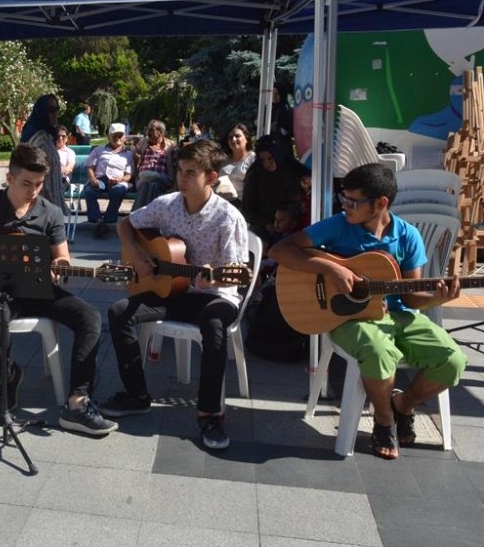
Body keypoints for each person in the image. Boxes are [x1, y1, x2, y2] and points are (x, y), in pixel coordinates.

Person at [269, 163, 466, 460]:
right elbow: (279, 251)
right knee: (377, 350)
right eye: (343, 198)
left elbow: (411, 298)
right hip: (351, 318)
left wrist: (437, 298)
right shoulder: (338, 225)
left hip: (399, 315)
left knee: (453, 361)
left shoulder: (407, 236)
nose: (345, 206)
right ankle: (384, 421)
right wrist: (331, 267)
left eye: (353, 201)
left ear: (381, 203)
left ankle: (404, 405)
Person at [0, 144, 117, 436]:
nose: (33, 191)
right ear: (10, 178)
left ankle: (77, 402)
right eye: (26, 183)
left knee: (90, 317)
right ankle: (10, 373)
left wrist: (60, 267)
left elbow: (62, 255)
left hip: (39, 290)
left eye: (39, 184)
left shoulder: (50, 212)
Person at [100, 139, 249, 450]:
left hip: (215, 296)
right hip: (172, 292)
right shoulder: (166, 204)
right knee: (119, 312)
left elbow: (233, 272)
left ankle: (209, 413)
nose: (181, 178)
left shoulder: (227, 217)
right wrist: (140, 256)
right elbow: (126, 226)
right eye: (180, 170)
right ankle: (137, 395)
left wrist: (213, 278)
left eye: (191, 172)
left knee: (214, 326)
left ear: (211, 177)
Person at [240, 135, 307, 238]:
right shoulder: (255, 175)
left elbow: (309, 184)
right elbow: (246, 210)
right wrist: (266, 223)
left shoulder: (292, 167)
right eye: (262, 160)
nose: (267, 163)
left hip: (295, 225)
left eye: (270, 158)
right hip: (265, 228)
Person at [83, 123, 134, 237]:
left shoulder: (129, 154)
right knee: (89, 191)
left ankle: (107, 220)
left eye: (120, 135)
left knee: (119, 190)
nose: (117, 138)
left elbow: (128, 175)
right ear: (109, 136)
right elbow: (89, 166)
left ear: (124, 137)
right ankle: (98, 221)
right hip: (100, 179)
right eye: (114, 135)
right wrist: (92, 179)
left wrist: (120, 179)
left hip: (118, 181)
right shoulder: (99, 150)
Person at [20, 94, 66, 213]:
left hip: (51, 207)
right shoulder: (39, 140)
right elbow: (34, 177)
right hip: (42, 209)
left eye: (57, 109)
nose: (55, 113)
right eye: (51, 110)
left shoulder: (47, 137)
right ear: (41, 111)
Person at [133, 119, 175, 209]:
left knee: (151, 184)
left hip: (162, 179)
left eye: (151, 130)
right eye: (148, 129)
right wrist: (136, 156)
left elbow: (176, 166)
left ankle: (135, 216)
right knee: (149, 185)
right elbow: (134, 153)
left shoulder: (171, 146)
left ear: (161, 132)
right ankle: (145, 218)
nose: (148, 132)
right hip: (142, 180)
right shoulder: (143, 143)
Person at [217, 123, 255, 203]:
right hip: (223, 203)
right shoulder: (223, 160)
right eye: (230, 138)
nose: (233, 139)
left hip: (244, 205)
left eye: (237, 136)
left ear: (247, 139)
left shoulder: (253, 159)